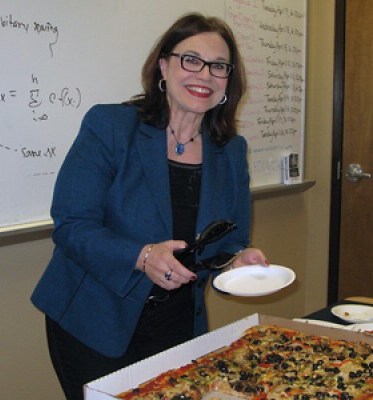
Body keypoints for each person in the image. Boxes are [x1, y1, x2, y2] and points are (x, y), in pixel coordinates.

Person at [31, 13, 268, 400]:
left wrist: (239, 261)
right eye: (191, 60)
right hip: (94, 318)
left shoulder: (230, 151)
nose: (204, 75)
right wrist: (142, 257)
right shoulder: (110, 126)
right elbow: (71, 225)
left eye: (219, 67)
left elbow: (230, 241)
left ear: (229, 80)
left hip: (178, 324)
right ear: (163, 65)